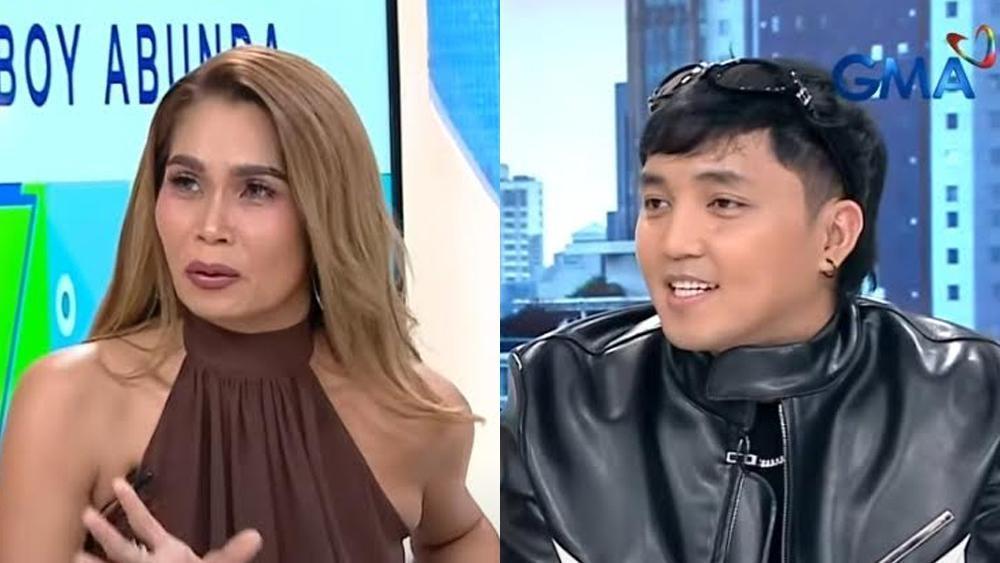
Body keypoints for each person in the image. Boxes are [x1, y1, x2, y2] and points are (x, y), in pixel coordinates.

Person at [0, 45, 499, 563]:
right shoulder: (67, 401)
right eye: (186, 182)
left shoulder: (417, 412)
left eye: (257, 190)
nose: (210, 226)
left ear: (327, 210)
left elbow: (460, 535)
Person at [500, 57, 1000, 562]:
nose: (674, 243)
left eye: (723, 203)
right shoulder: (558, 396)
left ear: (834, 236)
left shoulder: (975, 397)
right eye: (656, 204)